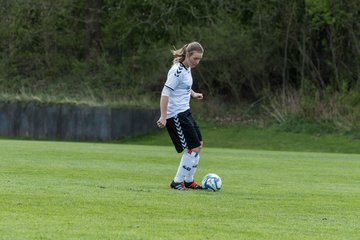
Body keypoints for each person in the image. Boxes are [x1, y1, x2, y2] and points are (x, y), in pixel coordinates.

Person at [157, 42, 204, 190]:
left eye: (199, 59)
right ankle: (177, 181)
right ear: (188, 55)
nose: (197, 62)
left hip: (185, 111)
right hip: (175, 114)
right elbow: (165, 93)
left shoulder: (187, 68)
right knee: (193, 147)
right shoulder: (177, 70)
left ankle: (189, 181)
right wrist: (163, 116)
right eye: (195, 58)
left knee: (199, 144)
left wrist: (193, 93)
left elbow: (184, 86)